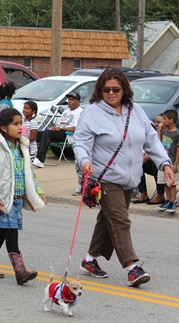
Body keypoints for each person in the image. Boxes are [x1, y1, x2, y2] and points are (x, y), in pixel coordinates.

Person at [73, 68, 174, 287]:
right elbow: (80, 142)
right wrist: (84, 160)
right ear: (99, 91)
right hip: (105, 177)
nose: (110, 93)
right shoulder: (92, 113)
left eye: (115, 89)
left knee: (108, 218)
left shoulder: (135, 111)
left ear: (124, 90)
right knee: (120, 220)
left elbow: (151, 141)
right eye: (106, 89)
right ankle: (132, 268)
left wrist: (164, 164)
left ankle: (90, 260)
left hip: (130, 178)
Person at [0, 108, 46, 284]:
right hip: (3, 198)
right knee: (11, 232)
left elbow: (30, 173)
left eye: (21, 124)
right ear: (3, 128)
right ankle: (20, 271)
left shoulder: (22, 146)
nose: (19, 128)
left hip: (17, 199)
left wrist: (38, 191)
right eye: (15, 124)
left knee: (2, 231)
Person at [33, 92, 83, 168]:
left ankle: (40, 159)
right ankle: (28, 156)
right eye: (69, 99)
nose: (69, 101)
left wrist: (61, 128)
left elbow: (76, 128)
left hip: (68, 135)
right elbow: (60, 125)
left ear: (78, 101)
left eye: (72, 100)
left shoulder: (80, 112)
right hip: (59, 132)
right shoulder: (66, 111)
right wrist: (54, 128)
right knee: (35, 134)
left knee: (48, 133)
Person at [132, 114, 166, 205]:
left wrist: (148, 157)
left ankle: (160, 194)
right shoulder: (152, 134)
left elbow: (160, 151)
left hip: (167, 165)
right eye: (156, 122)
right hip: (153, 161)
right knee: (138, 164)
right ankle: (143, 193)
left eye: (159, 122)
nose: (156, 124)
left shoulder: (169, 134)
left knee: (157, 166)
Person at [156, 109, 179, 213]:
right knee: (165, 182)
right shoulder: (164, 131)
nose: (162, 121)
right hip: (163, 162)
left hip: (172, 162)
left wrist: (176, 165)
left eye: (164, 119)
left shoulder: (177, 133)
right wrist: (159, 131)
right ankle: (168, 200)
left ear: (171, 120)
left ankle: (173, 201)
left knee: (172, 183)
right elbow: (157, 143)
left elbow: (178, 150)